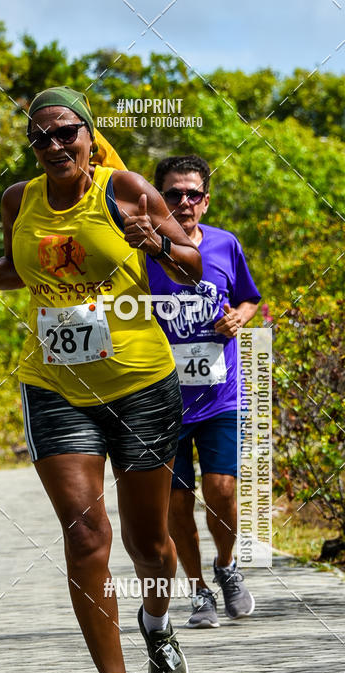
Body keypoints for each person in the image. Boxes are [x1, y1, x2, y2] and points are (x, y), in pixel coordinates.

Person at [0, 87, 202, 673]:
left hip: (141, 383)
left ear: (89, 134)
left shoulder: (124, 189)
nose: (55, 145)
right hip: (55, 385)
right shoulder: (20, 199)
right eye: (41, 138)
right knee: (85, 532)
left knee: (148, 541)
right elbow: (21, 270)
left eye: (66, 132)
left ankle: (156, 622)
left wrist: (158, 244)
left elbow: (191, 264)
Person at [146, 155, 260, 628]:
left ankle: (227, 567)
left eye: (193, 193)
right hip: (162, 399)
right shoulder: (142, 254)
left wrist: (240, 316)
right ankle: (198, 592)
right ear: (158, 201)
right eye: (174, 194)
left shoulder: (225, 245)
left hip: (221, 395)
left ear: (206, 201)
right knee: (175, 503)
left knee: (222, 492)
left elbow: (250, 297)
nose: (184, 202)